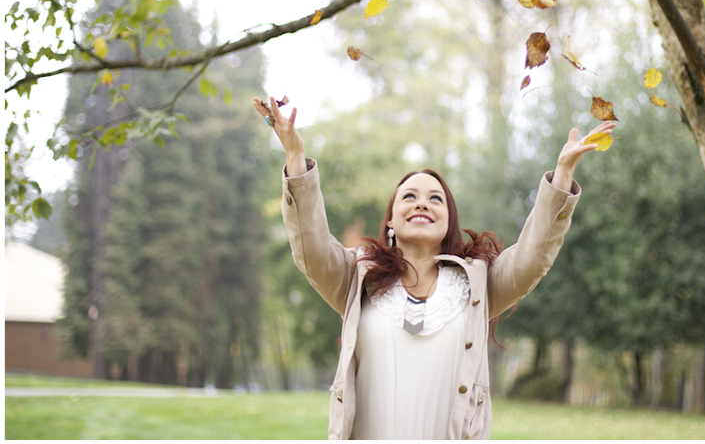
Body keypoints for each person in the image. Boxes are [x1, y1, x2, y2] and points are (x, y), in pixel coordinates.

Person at [253, 95, 615, 440]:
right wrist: (296, 156)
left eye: (435, 198)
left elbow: (533, 258)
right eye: (409, 197)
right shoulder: (357, 278)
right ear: (391, 221)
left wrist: (563, 175)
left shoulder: (479, 283)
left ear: (448, 221)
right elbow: (312, 247)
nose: (421, 203)